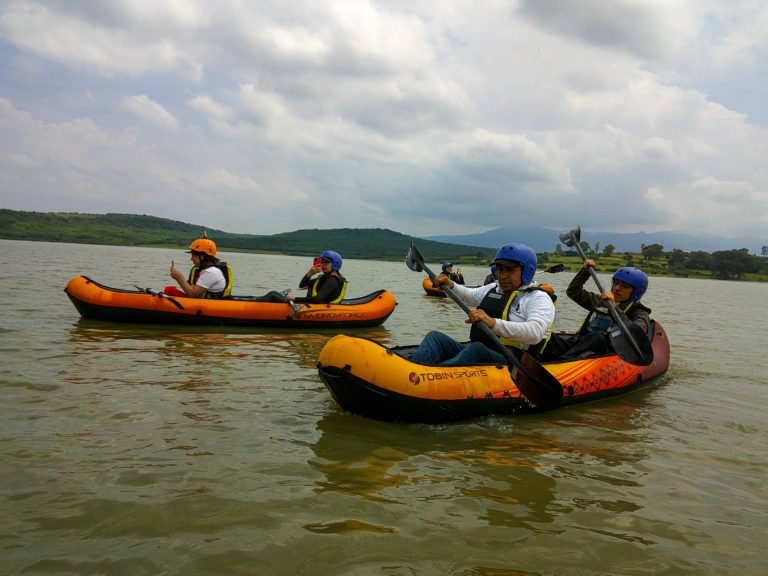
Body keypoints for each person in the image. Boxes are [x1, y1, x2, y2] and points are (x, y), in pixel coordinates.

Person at [410, 243, 556, 366]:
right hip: (485, 351)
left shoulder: (538, 298)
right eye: (500, 269)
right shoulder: (494, 288)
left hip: (513, 361)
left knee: (476, 349)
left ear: (527, 271)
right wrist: (451, 284)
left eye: (510, 270)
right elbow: (468, 295)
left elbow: (535, 333)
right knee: (435, 337)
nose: (503, 275)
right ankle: (415, 369)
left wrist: (492, 323)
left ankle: (429, 379)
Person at [559, 260, 651, 358]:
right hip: (581, 342)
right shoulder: (600, 300)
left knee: (597, 337)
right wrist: (584, 272)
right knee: (551, 339)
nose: (617, 288)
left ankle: (562, 361)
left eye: (624, 286)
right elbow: (573, 292)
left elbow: (637, 334)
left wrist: (614, 308)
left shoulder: (640, 312)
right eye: (615, 283)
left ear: (636, 292)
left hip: (606, 350)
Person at [166, 238, 232, 298]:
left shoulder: (211, 272)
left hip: (207, 304)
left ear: (202, 256)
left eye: (193, 255)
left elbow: (194, 294)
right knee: (170, 290)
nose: (191, 259)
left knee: (169, 290)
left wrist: (179, 277)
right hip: (203, 301)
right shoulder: (208, 270)